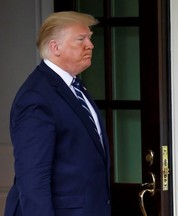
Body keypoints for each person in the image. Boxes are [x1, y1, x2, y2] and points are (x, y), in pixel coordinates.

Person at [4, 11, 111, 216]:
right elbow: (33, 179)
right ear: (55, 47)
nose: (90, 45)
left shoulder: (74, 86)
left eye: (89, 38)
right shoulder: (36, 97)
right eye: (81, 39)